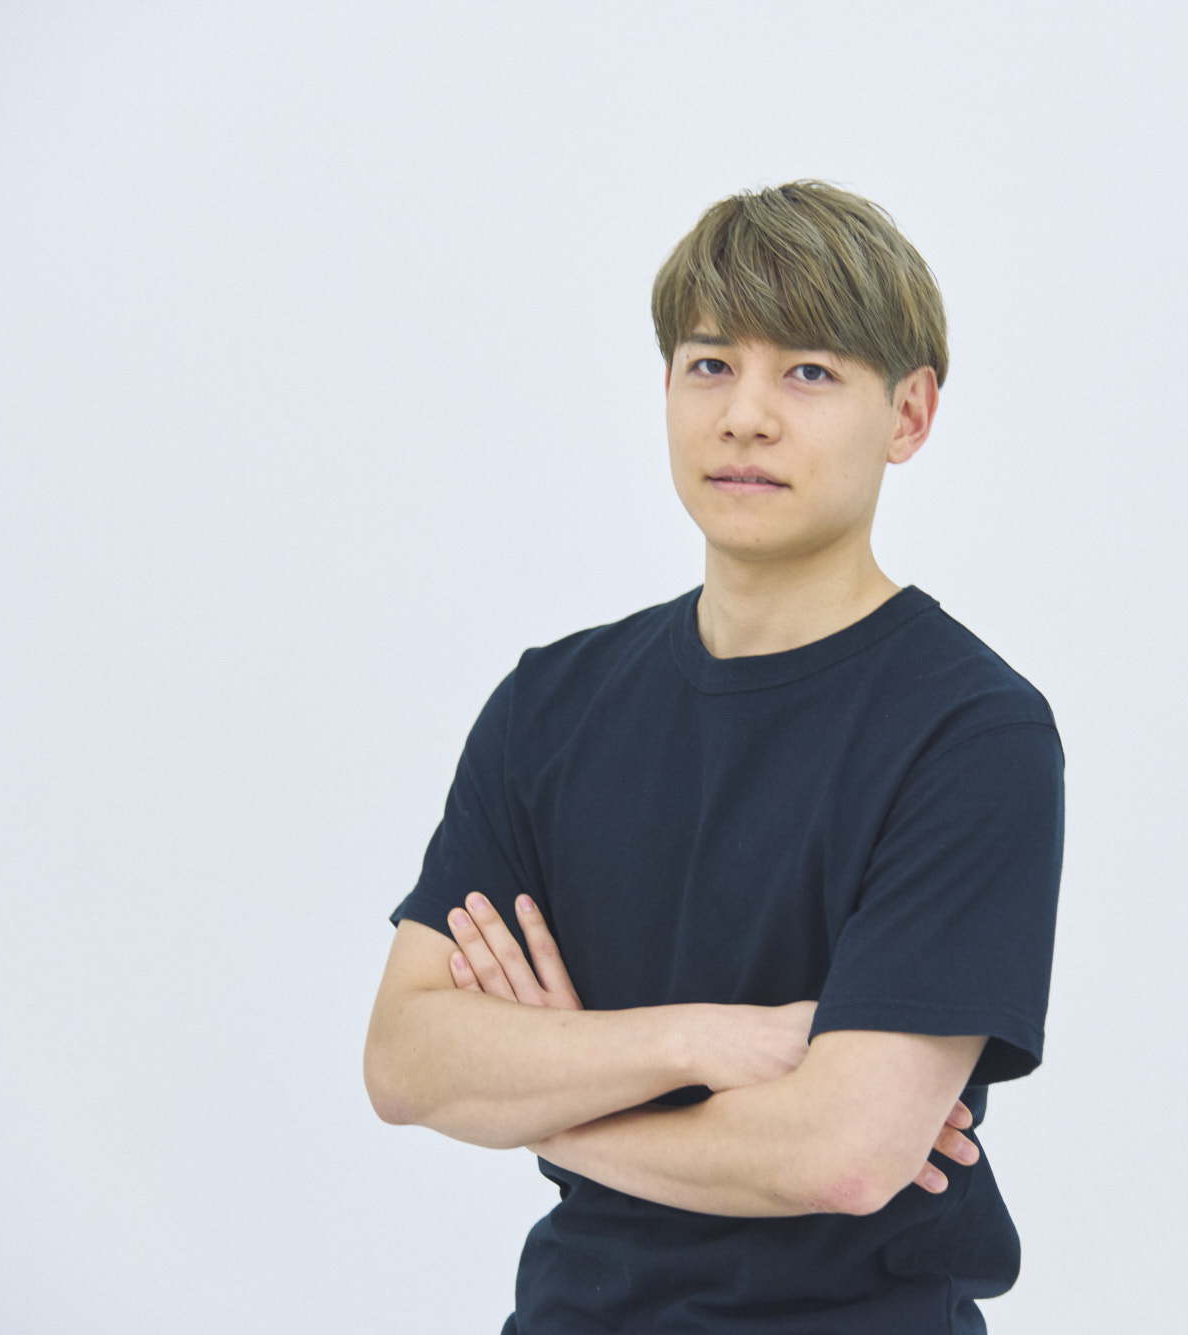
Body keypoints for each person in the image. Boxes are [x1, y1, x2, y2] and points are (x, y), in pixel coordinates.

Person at [362, 180, 1065, 1334]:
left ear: (908, 415)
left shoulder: (972, 733)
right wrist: (704, 1041)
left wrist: (546, 1096)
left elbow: (842, 1154)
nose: (743, 415)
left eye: (808, 372)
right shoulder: (550, 704)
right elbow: (403, 1059)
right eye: (708, 364)